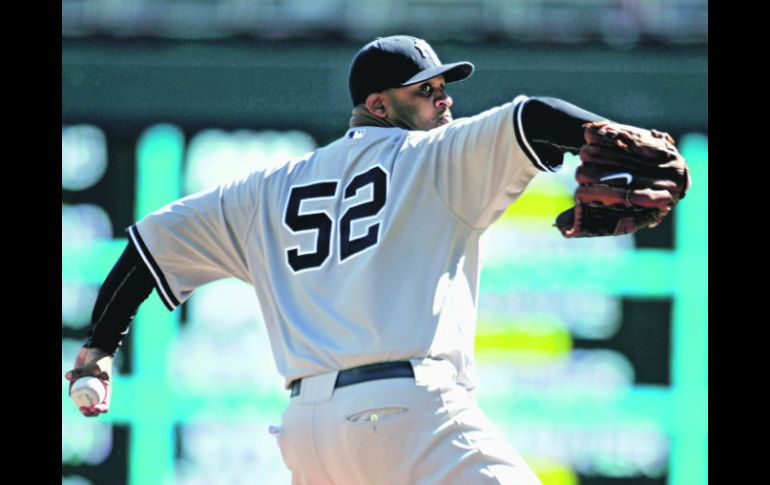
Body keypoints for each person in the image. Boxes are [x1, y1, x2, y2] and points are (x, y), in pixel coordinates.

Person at [66, 35, 616, 484]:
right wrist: (625, 141)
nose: (444, 100)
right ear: (379, 105)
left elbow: (146, 248)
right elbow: (534, 115)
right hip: (410, 416)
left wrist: (98, 350)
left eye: (443, 87)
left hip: (311, 434)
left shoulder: (266, 189)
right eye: (425, 90)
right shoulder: (431, 155)